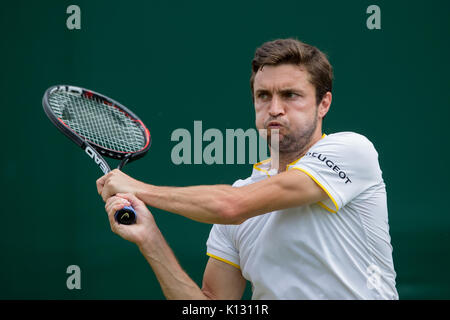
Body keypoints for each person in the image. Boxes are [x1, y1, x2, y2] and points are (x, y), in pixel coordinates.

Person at [96, 38, 398, 300]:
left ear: (324, 104)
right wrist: (150, 238)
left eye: (291, 95)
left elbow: (232, 206)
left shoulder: (352, 150)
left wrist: (137, 188)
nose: (275, 108)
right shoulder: (241, 198)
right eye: (263, 96)